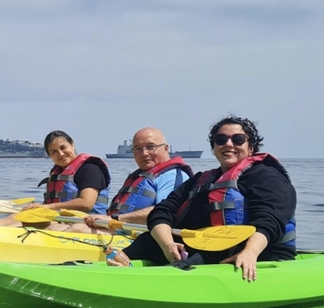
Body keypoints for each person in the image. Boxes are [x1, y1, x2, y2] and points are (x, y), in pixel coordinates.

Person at [109, 116, 297, 281]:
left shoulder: (267, 177)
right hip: (211, 248)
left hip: (261, 253)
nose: (228, 144)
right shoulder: (201, 180)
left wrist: (250, 252)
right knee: (148, 240)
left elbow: (271, 219)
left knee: (198, 259)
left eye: (238, 139)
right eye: (221, 139)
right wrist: (167, 245)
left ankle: (143, 282)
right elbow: (162, 211)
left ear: (251, 148)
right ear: (214, 147)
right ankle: (113, 270)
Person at [73, 127, 193, 233]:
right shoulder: (141, 175)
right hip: (119, 228)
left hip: (144, 236)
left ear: (166, 148)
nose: (144, 153)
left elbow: (164, 212)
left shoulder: (174, 176)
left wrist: (115, 219)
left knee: (76, 230)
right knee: (57, 228)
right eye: (138, 149)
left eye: (151, 147)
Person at [0, 130, 110, 227]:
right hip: (58, 217)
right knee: (14, 218)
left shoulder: (90, 169)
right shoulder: (58, 172)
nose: (61, 154)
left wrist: (48, 207)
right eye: (54, 152)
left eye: (63, 148)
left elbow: (86, 203)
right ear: (50, 155)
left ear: (72, 144)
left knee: (18, 225)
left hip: (85, 222)